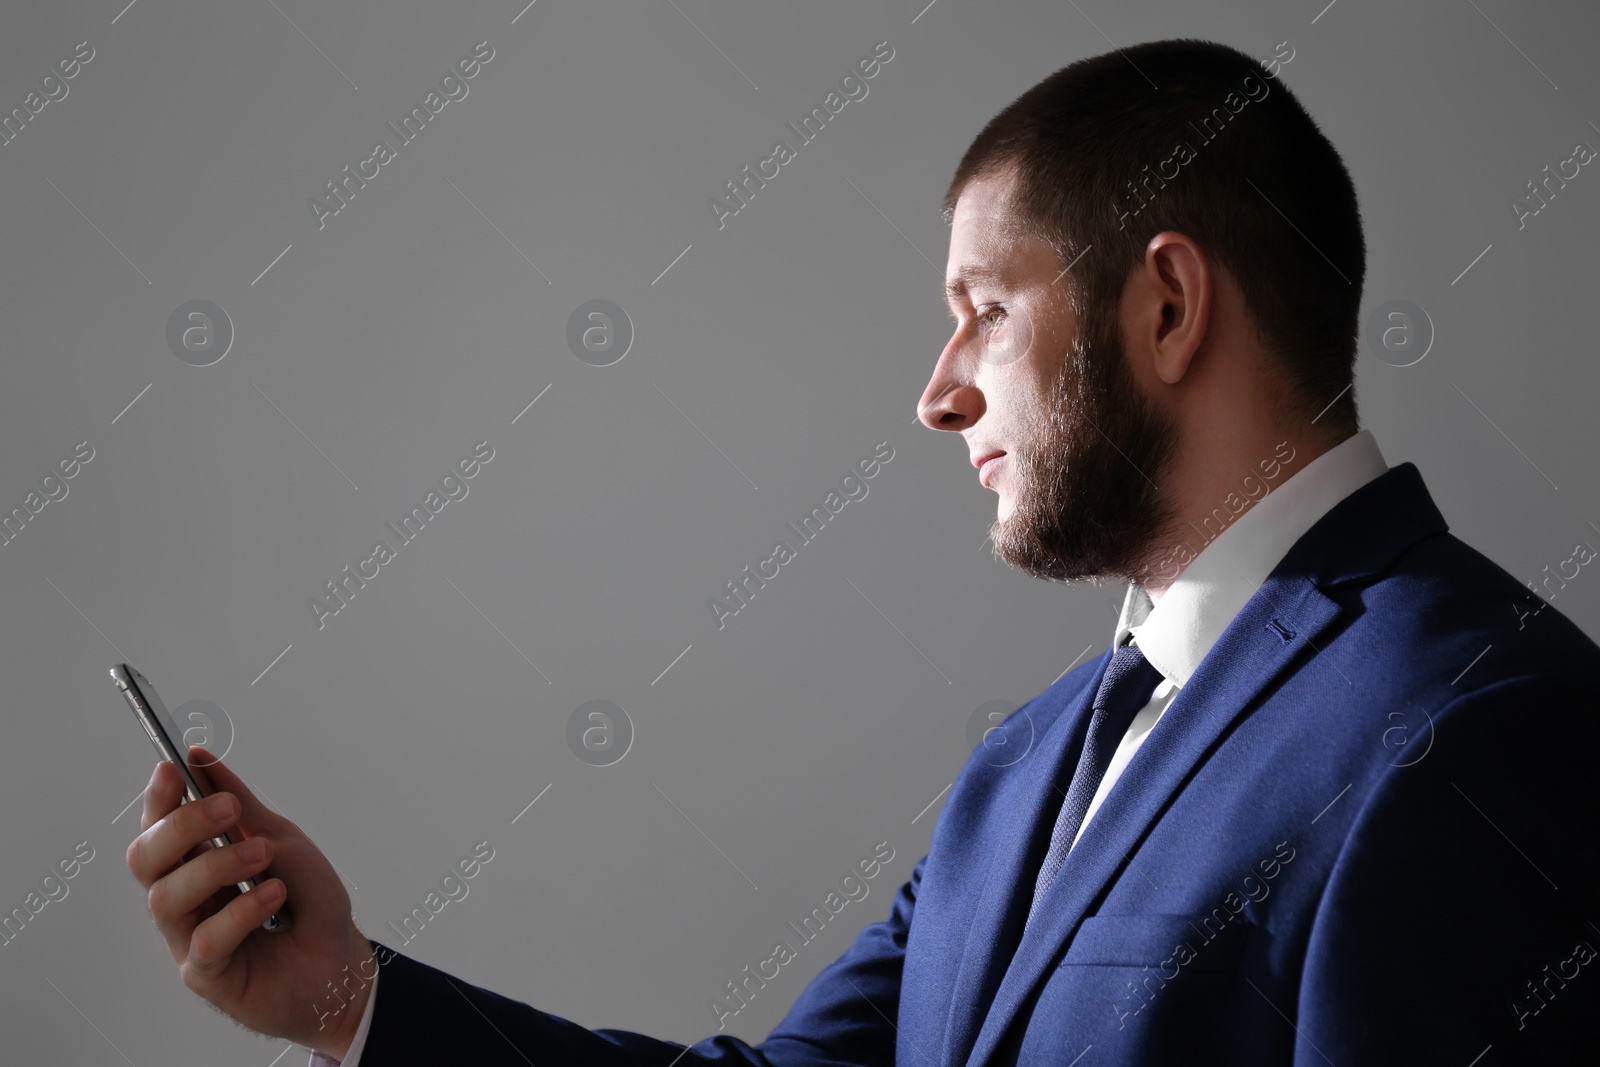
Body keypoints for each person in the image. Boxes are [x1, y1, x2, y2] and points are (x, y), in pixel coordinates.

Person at [124, 37, 1600, 1065]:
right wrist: (346, 1000)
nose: (938, 388)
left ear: (1166, 309)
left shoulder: (1480, 723)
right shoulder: (1024, 770)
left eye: (986, 308)